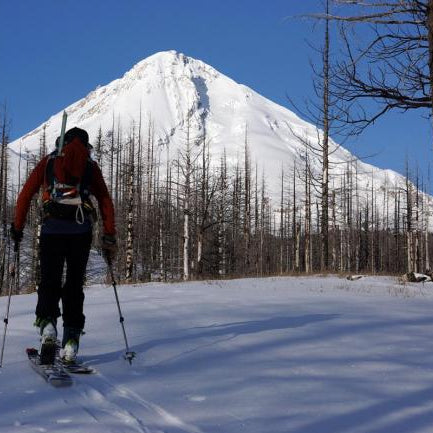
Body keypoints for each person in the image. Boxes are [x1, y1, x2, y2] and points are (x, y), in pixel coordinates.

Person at [11, 127, 117, 363]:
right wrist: (109, 235)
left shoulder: (49, 162)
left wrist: (17, 227)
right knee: (74, 284)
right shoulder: (90, 166)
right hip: (81, 232)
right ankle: (71, 340)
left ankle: (48, 327)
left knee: (49, 279)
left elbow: (26, 194)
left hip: (52, 230)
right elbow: (105, 201)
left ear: (62, 143)